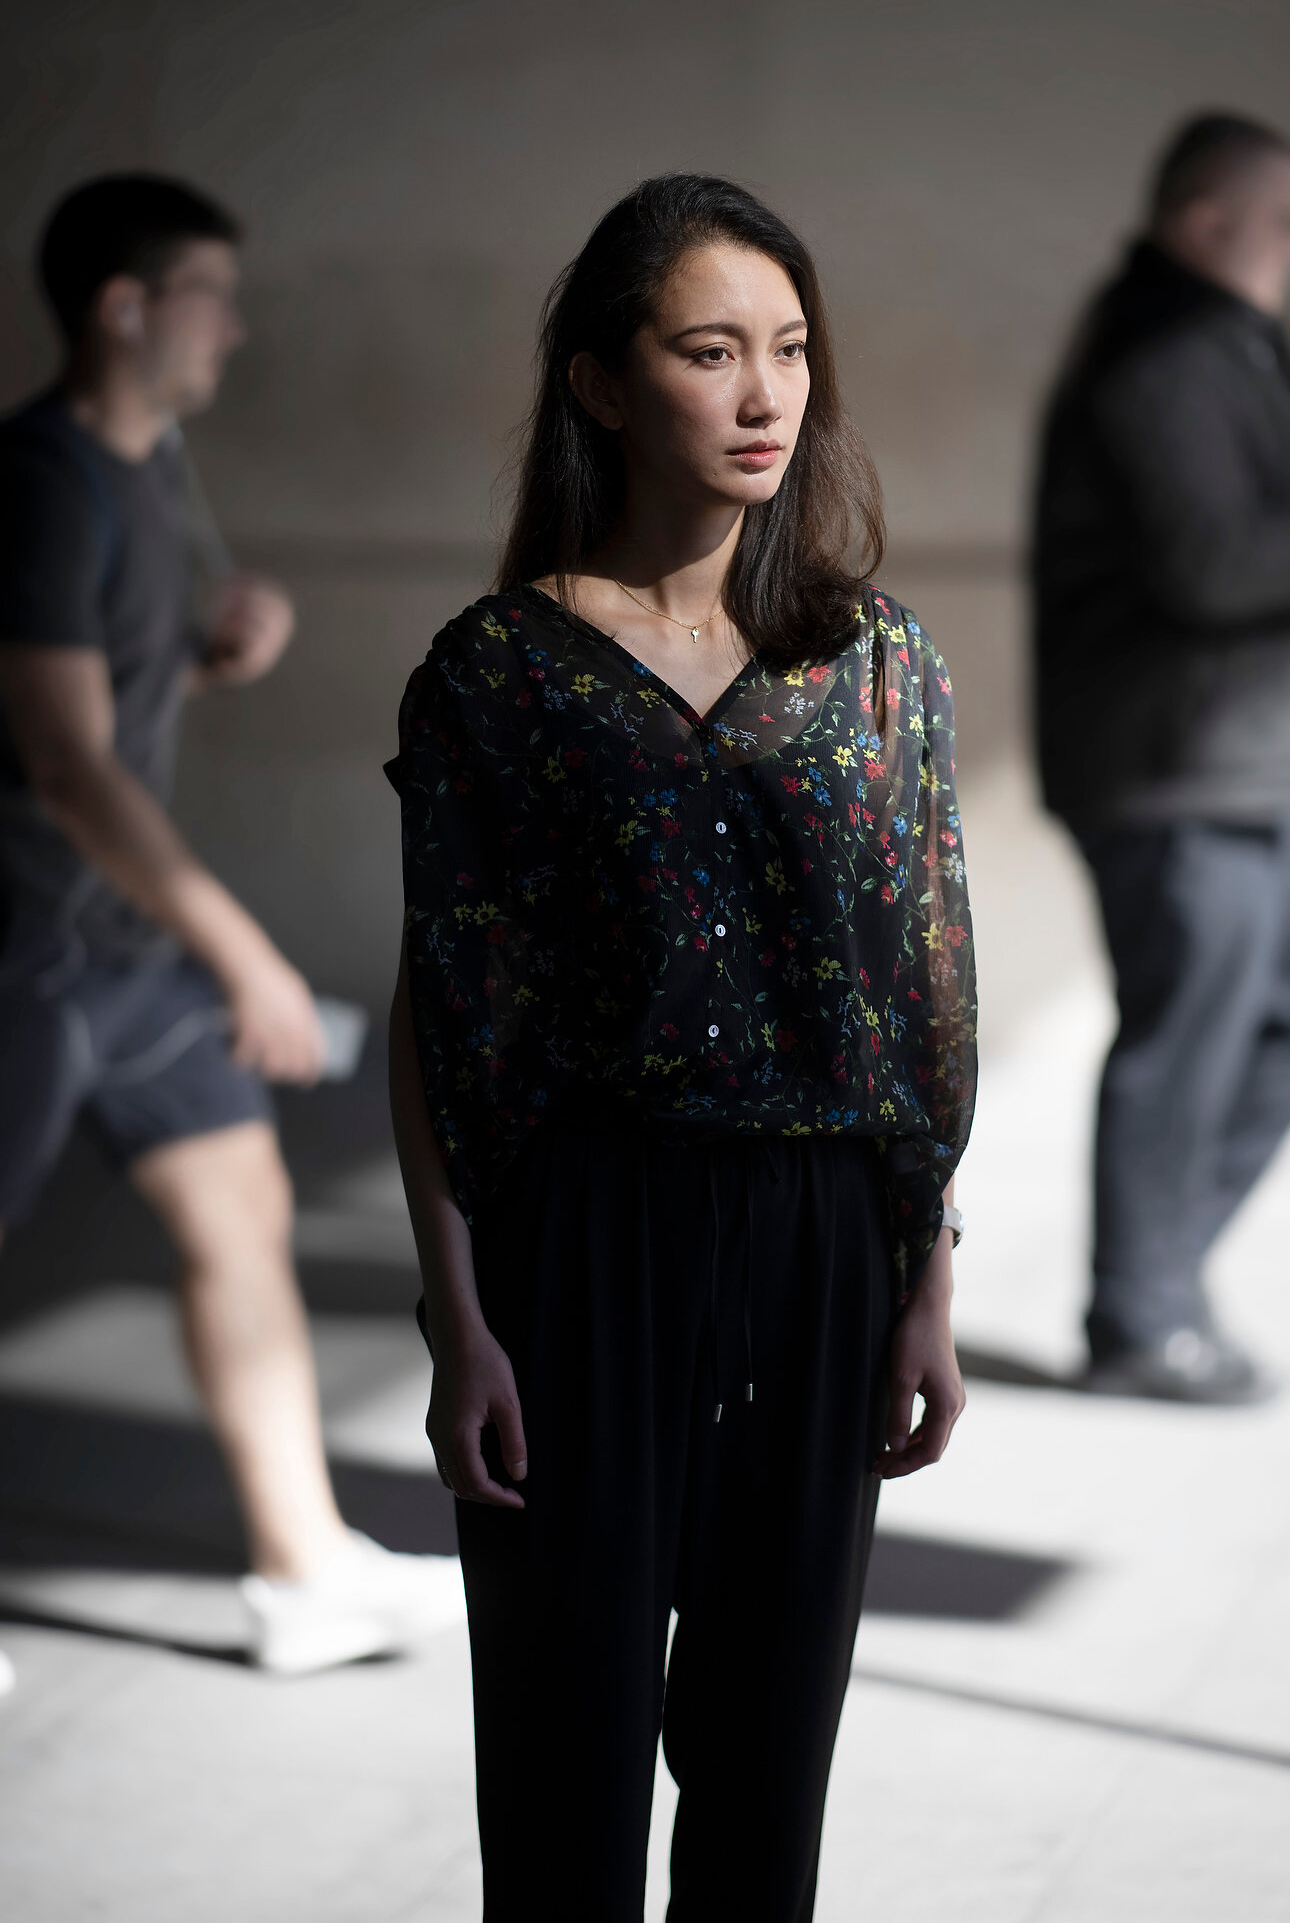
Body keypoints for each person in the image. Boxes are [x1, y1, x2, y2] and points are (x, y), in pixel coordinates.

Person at [387, 173, 978, 1921]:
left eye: (789, 350)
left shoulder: (874, 662)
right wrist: (458, 1313)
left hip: (815, 1251)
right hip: (582, 1246)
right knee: (562, 1783)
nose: (760, 395)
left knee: (764, 1778)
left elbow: (925, 986)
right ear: (599, 382)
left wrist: (922, 1278)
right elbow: (439, 1004)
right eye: (708, 350)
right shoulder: (497, 671)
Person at [0, 173, 465, 1677]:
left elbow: (76, 712)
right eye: (211, 293)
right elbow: (62, 767)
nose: (237, 327)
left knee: (238, 1208)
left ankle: (302, 1566)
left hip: (110, 949)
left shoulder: (147, 472)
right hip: (23, 952)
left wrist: (201, 663)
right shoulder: (41, 483)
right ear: (125, 306)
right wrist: (245, 952)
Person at [1033, 113, 1290, 1403]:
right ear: (1206, 220)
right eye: (1280, 218)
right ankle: (1139, 1315)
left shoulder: (1223, 341)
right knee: (1186, 1031)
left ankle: (1159, 1273)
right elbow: (1218, 564)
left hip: (1256, 764)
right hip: (1183, 770)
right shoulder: (1162, 352)